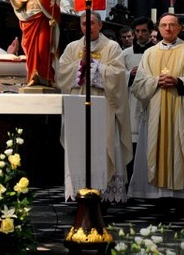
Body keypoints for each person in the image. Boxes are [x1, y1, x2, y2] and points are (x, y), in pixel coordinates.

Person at [56, 11, 132, 203]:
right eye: (83, 24)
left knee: (103, 144)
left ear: (100, 25)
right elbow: (61, 74)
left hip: (104, 106)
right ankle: (80, 189)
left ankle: (105, 192)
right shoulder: (73, 47)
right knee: (79, 146)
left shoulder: (112, 47)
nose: (87, 27)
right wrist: (79, 66)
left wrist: (95, 66)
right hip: (78, 106)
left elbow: (118, 76)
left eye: (90, 23)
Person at [128, 13, 184, 201]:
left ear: (179, 28)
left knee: (182, 147)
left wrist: (179, 81)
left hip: (181, 110)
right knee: (156, 148)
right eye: (164, 25)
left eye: (172, 25)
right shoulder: (150, 53)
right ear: (158, 29)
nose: (167, 29)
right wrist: (155, 81)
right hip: (156, 111)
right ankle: (159, 196)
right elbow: (139, 84)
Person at [7, 0, 60, 86]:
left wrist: (54, 20)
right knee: (30, 53)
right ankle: (32, 76)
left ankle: (47, 78)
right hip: (29, 26)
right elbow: (18, 6)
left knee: (42, 50)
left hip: (43, 25)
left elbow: (55, 11)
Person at [122, 16, 155, 147]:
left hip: (151, 97)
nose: (140, 35)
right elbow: (119, 74)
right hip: (132, 99)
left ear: (150, 32)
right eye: (137, 31)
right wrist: (129, 74)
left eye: (144, 31)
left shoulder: (156, 51)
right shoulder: (126, 53)